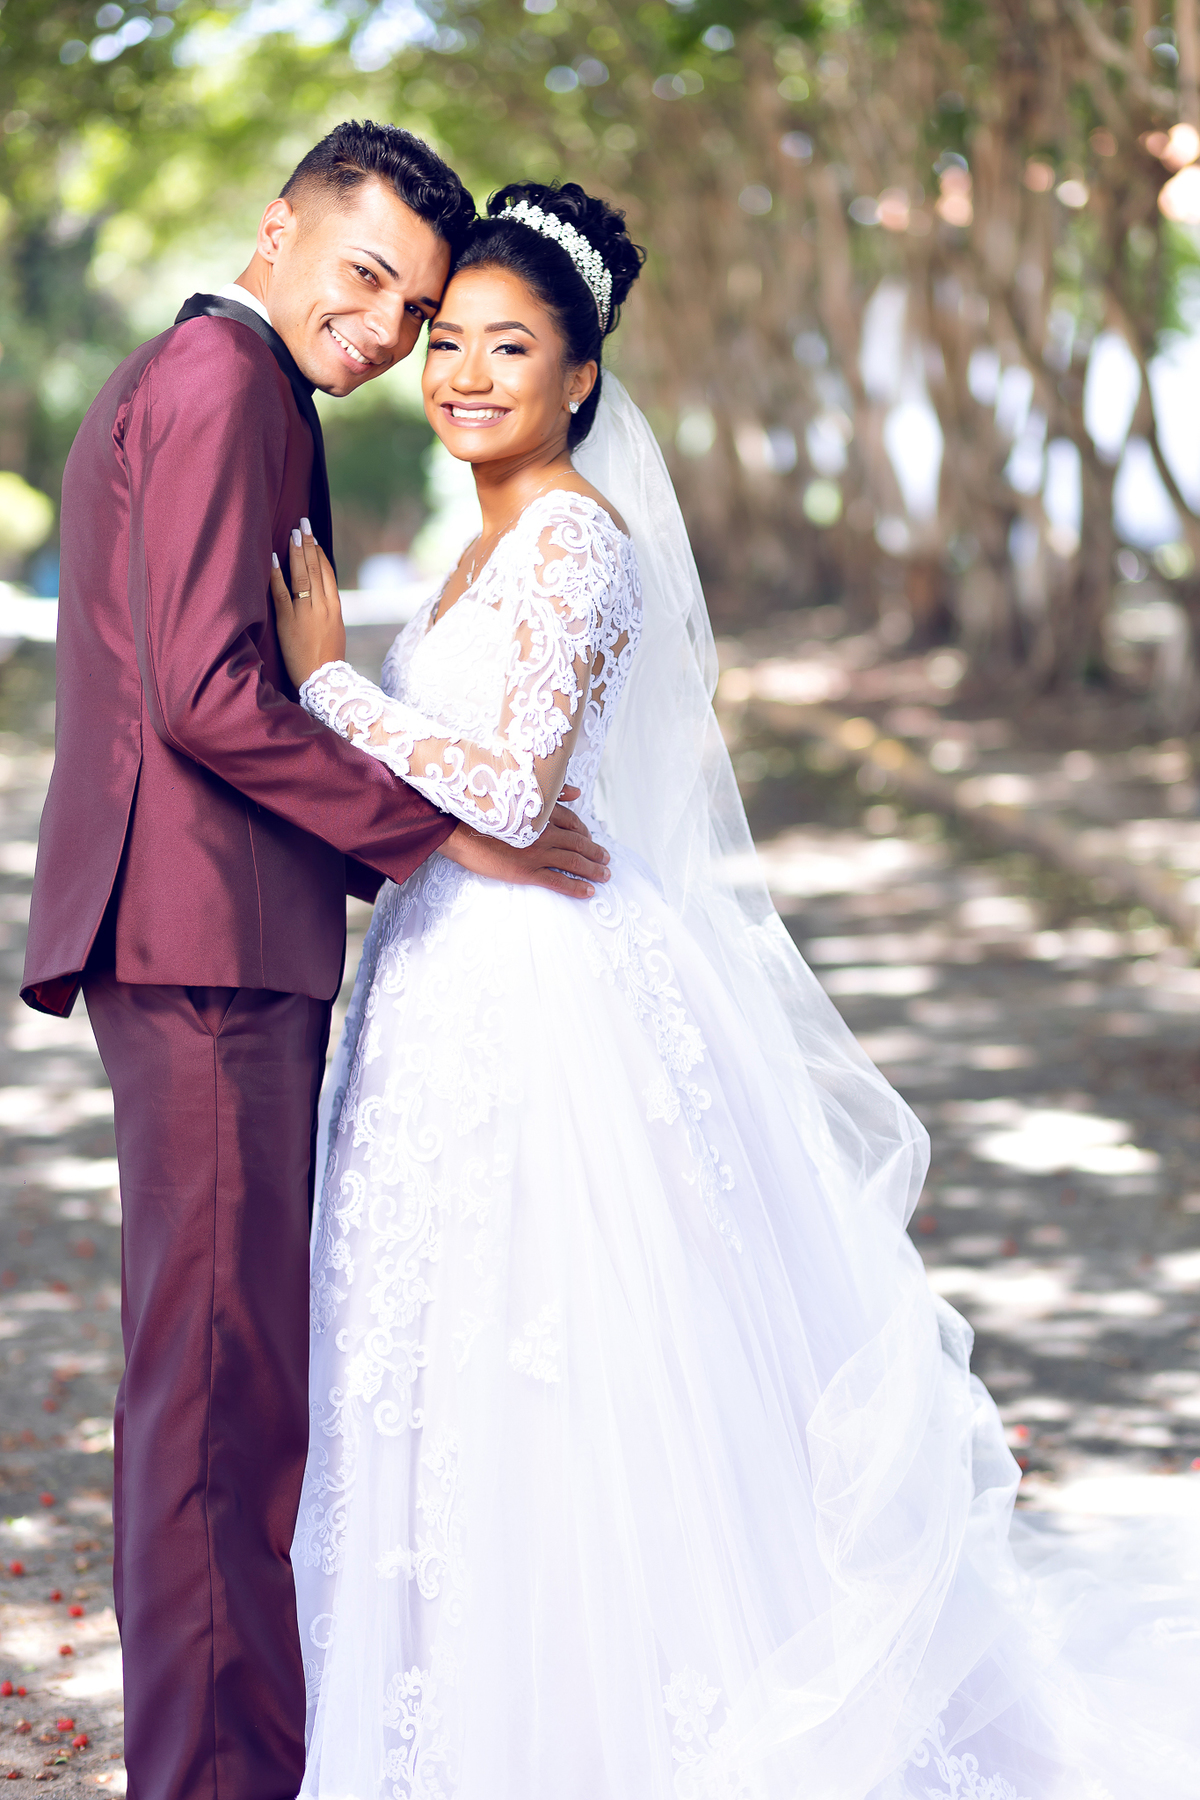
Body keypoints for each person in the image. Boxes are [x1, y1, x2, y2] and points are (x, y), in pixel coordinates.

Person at [270, 179, 1200, 1799]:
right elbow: (478, 803)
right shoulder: (485, 542)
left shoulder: (575, 538)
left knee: (579, 1359)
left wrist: (329, 683)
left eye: (511, 347)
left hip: (554, 998)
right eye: (449, 343)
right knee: (451, 1365)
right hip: (446, 983)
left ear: (581, 377)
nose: (467, 374)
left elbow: (512, 791)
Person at [20, 126, 609, 1800]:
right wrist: (442, 834)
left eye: (412, 308)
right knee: (219, 1408)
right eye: (364, 276)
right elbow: (212, 695)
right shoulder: (226, 380)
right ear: (277, 230)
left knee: (234, 1393)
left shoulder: (231, 379)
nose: (382, 328)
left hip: (211, 937)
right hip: (203, 945)